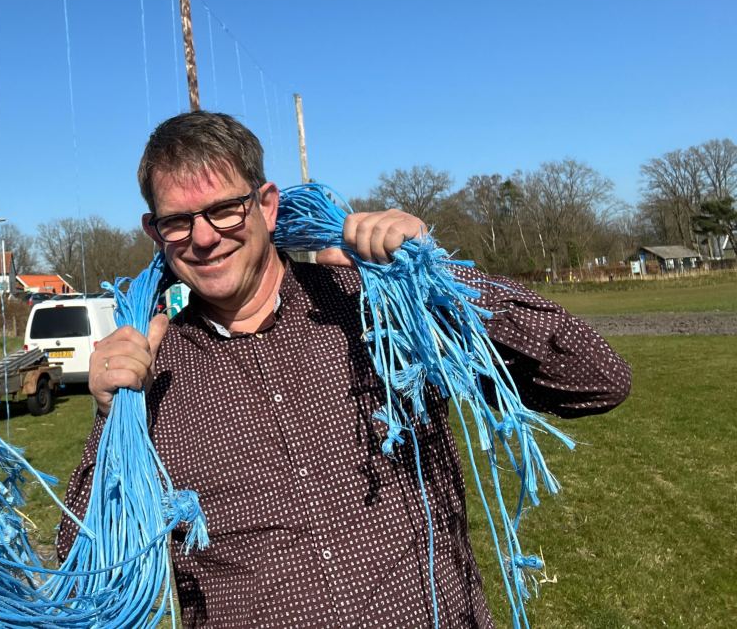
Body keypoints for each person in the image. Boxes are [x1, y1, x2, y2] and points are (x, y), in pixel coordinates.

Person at [59, 110, 631, 628]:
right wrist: (110, 417)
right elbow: (89, 576)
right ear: (153, 231)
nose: (204, 238)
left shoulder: (379, 306)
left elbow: (595, 380)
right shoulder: (151, 374)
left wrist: (433, 276)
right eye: (178, 221)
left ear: (267, 205)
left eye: (224, 209)